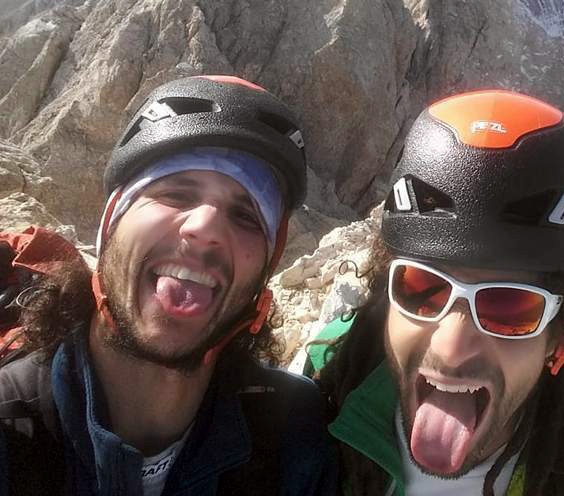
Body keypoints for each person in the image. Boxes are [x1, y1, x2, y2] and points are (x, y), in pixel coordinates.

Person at [310, 89, 564, 496]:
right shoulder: (324, 380)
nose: (451, 347)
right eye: (422, 289)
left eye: (508, 306)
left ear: (558, 340)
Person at [0, 75, 337, 495]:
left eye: (246, 216)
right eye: (177, 193)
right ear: (111, 225)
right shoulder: (10, 424)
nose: (205, 227)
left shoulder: (292, 437)